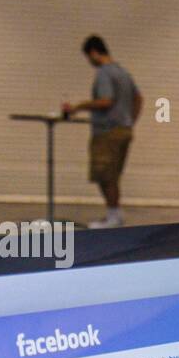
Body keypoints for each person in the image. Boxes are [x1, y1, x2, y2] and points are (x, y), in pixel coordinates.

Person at [62, 35, 141, 228]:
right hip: (124, 130)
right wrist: (130, 121)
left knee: (105, 176)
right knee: (113, 176)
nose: (90, 62)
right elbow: (139, 98)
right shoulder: (123, 72)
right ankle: (115, 213)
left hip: (107, 132)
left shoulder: (104, 73)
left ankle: (113, 217)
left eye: (89, 57)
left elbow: (106, 101)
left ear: (94, 52)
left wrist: (78, 106)